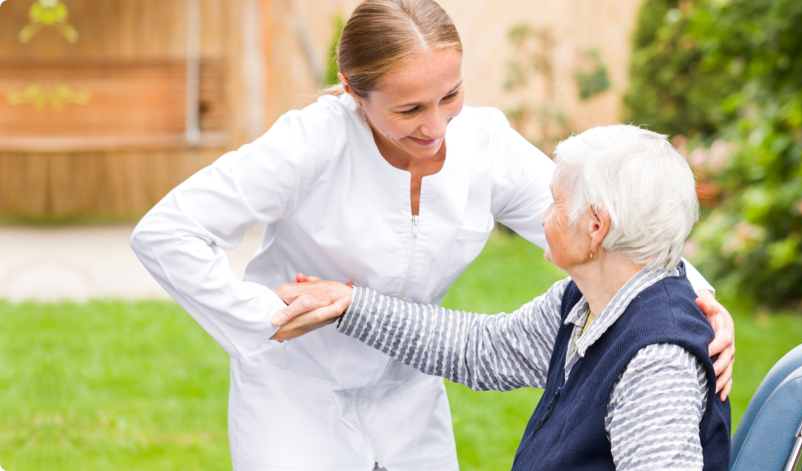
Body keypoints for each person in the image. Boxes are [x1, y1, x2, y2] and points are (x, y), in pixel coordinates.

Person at [130, 0, 735, 469]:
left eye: (450, 96)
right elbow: (167, 233)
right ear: (352, 89)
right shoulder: (312, 143)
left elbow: (620, 226)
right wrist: (265, 318)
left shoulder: (483, 143)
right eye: (409, 110)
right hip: (295, 395)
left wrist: (698, 306)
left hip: (408, 394)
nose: (437, 126)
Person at [274, 124, 731, 470]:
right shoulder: (586, 302)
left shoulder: (656, 362)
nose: (543, 214)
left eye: (554, 202)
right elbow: (482, 349)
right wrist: (352, 305)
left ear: (596, 226)